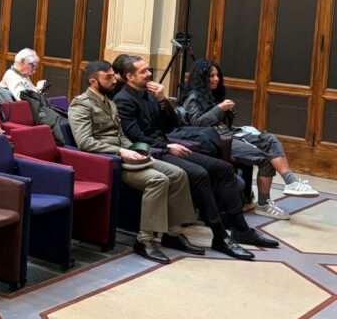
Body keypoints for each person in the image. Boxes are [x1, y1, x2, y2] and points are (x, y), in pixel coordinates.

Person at [114, 55, 272, 257]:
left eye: (148, 69)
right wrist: (167, 147)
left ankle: (241, 230)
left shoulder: (149, 94)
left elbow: (173, 124)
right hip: (150, 152)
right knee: (198, 173)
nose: (149, 74)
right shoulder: (123, 100)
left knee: (224, 168)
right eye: (143, 71)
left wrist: (162, 100)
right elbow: (134, 137)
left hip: (165, 145)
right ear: (130, 77)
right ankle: (220, 235)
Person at [68, 60, 200, 264]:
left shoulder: (109, 102)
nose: (114, 80)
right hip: (107, 162)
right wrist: (121, 151)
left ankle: (173, 233)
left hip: (125, 155)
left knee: (178, 174)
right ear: (93, 82)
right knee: (158, 180)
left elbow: (121, 136)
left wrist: (138, 149)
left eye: (113, 75)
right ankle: (144, 240)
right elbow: (85, 142)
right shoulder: (81, 104)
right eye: (108, 77)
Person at [182, 59, 317, 219]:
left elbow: (222, 123)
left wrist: (226, 112)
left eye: (217, 75)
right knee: (265, 158)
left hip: (228, 134)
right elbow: (197, 124)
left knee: (270, 139)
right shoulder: (194, 97)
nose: (216, 79)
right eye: (211, 76)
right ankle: (264, 204)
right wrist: (219, 109)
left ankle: (291, 181)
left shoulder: (211, 95)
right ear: (201, 77)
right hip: (216, 141)